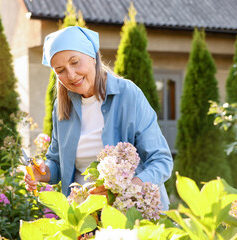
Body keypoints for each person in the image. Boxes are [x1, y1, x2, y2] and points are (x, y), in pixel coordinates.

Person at [24, 26, 173, 210]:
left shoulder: (128, 94)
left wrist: (125, 189)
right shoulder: (62, 107)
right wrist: (43, 172)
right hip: (86, 217)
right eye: (60, 70)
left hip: (132, 214)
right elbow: (57, 162)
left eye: (75, 62)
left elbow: (161, 160)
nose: (71, 75)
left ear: (93, 57)